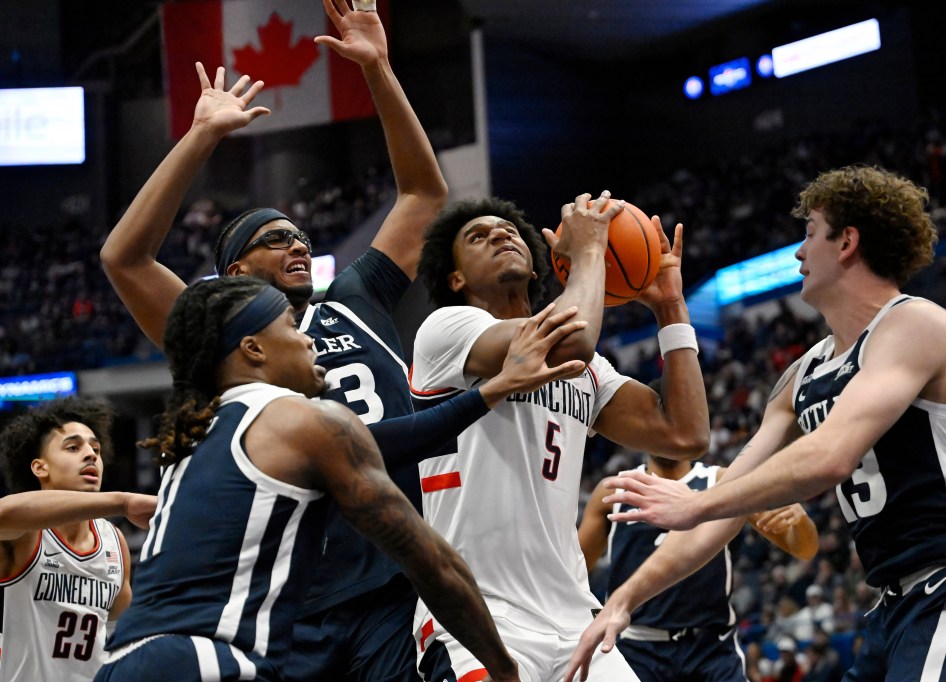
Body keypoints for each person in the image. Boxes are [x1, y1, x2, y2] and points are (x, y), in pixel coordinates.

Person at [99, 2, 465, 678]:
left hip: (388, 585)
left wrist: (379, 70)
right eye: (273, 239)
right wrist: (202, 137)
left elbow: (422, 193)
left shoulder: (353, 298)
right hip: (285, 605)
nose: (296, 242)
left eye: (299, 236)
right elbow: (124, 258)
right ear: (234, 273)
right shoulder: (220, 334)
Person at [566, 165, 946, 681]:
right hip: (893, 607)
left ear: (847, 241)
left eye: (809, 235)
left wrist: (695, 502)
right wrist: (623, 599)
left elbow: (831, 455)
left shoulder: (914, 325)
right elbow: (722, 512)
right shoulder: (802, 374)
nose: (798, 253)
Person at [96, 275, 589, 680]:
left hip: (123, 661)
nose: (309, 339)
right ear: (253, 349)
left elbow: (392, 439)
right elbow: (433, 563)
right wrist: (502, 667)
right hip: (204, 661)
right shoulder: (302, 420)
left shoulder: (194, 435)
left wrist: (496, 388)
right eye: (291, 326)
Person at [410, 191, 711, 681]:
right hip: (478, 616)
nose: (499, 235)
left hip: (574, 617)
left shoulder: (589, 373)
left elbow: (685, 433)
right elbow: (572, 340)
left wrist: (671, 309)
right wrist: (592, 247)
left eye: (507, 231)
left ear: (536, 267)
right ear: (456, 277)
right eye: (478, 236)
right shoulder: (448, 331)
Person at [576, 401, 819, 682]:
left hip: (710, 648)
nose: (666, 431)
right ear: (641, 426)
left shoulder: (724, 481)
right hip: (636, 647)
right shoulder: (615, 490)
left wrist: (797, 521)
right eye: (658, 421)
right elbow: (574, 572)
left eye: (675, 421)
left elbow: (805, 548)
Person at [0, 398, 157, 682]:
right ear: (40, 468)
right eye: (73, 447)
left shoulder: (114, 541)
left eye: (95, 449)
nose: (90, 455)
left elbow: (122, 640)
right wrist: (123, 502)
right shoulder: (26, 534)